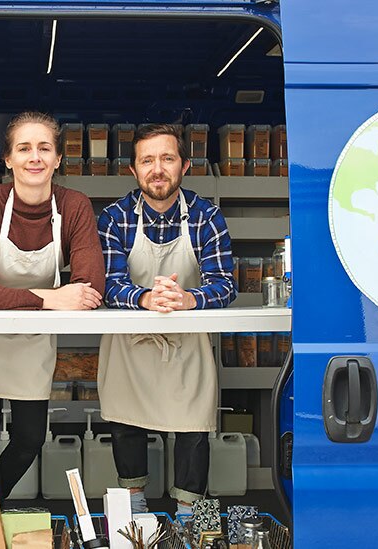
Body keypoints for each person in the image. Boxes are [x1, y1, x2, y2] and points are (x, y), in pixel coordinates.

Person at [0, 111, 105, 498]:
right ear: (8, 159)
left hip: (34, 331)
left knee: (30, 437)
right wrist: (49, 297)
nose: (35, 157)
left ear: (58, 158)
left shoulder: (74, 206)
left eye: (44, 148)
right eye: (24, 148)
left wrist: (54, 299)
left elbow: (89, 286)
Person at [97, 123, 236, 515]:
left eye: (167, 159)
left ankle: (190, 516)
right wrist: (146, 298)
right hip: (130, 344)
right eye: (147, 160)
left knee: (193, 430)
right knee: (126, 424)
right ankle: (134, 510)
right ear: (133, 169)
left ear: (185, 165)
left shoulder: (207, 217)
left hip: (187, 341)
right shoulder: (114, 218)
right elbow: (107, 284)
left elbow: (225, 284)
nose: (157, 169)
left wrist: (188, 298)